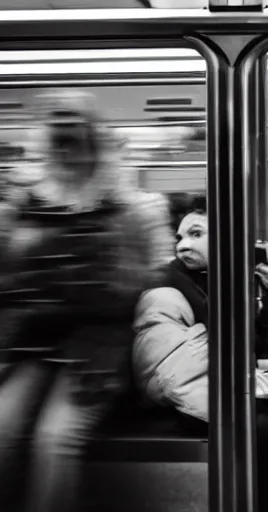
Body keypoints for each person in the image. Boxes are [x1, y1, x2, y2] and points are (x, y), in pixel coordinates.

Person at [0, 89, 173, 512]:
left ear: (94, 141)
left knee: (55, 439)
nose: (65, 149)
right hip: (33, 343)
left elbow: (148, 280)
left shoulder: (131, 208)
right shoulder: (24, 205)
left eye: (74, 133)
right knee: (2, 432)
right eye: (56, 135)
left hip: (99, 347)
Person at [133, 194, 268, 512]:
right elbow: (165, 366)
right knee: (261, 427)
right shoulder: (170, 284)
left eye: (196, 234)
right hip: (215, 382)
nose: (182, 245)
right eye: (179, 236)